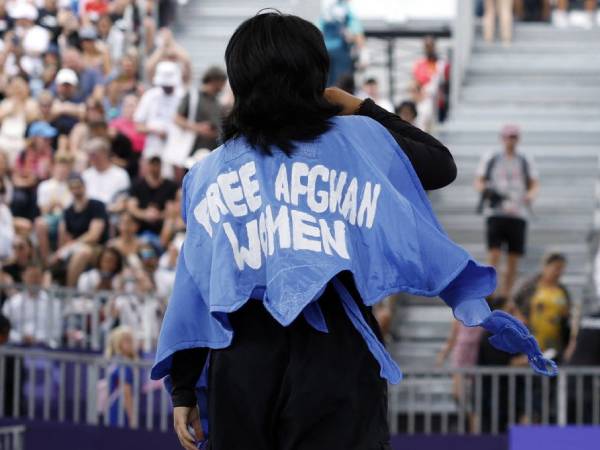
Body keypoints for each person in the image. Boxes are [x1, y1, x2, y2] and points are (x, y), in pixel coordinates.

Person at [150, 12, 554, 450]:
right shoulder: (359, 137)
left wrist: (185, 387)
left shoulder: (209, 172)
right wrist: (361, 105)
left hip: (243, 359)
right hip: (335, 351)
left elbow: (198, 282)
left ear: (238, 80)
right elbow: (439, 164)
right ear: (316, 76)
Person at [474, 124, 539, 299]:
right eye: (508, 137)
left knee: (513, 257)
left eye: (513, 137)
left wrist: (530, 196)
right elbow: (479, 180)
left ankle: (506, 294)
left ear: (518, 139)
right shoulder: (492, 157)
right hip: (496, 211)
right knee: (494, 253)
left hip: (517, 212)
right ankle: (490, 291)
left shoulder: (525, 160)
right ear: (502, 138)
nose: (510, 141)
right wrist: (486, 192)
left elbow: (534, 183)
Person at [50, 173, 109, 287]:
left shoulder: (97, 205)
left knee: (83, 252)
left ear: (84, 186)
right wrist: (62, 251)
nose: (76, 190)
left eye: (78, 186)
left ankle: (70, 290)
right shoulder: (68, 212)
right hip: (74, 247)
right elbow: (64, 238)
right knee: (53, 260)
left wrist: (72, 245)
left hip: (97, 248)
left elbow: (94, 236)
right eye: (72, 187)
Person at [513, 253, 571, 361]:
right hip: (530, 339)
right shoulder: (529, 285)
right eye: (556, 268)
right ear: (545, 266)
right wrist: (520, 318)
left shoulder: (562, 290)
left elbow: (567, 315)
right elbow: (513, 303)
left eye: (562, 269)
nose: (559, 272)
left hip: (554, 343)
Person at [134, 60, 183, 160]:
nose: (166, 88)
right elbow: (138, 126)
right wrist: (155, 131)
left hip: (176, 148)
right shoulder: (150, 96)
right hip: (153, 149)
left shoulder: (182, 96)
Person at [1, 264, 61, 347]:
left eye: (37, 276)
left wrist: (36, 339)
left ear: (42, 278)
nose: (34, 280)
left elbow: (56, 332)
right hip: (17, 348)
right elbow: (3, 328)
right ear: (24, 277)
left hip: (45, 349)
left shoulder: (53, 304)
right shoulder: (12, 302)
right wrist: (20, 337)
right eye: (31, 276)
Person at [174, 66, 227, 153]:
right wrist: (198, 128)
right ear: (214, 81)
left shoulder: (217, 101)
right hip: (191, 151)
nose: (223, 87)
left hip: (211, 151)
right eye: (222, 82)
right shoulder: (192, 96)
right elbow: (177, 119)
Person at [34, 151, 74, 262]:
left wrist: (61, 206)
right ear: (54, 168)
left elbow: (73, 209)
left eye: (65, 168)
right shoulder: (44, 186)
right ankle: (46, 259)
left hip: (66, 218)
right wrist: (53, 205)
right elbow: (43, 211)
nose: (62, 170)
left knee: (63, 224)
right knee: (39, 223)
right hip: (50, 218)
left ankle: (59, 258)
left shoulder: (72, 185)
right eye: (59, 167)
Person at [127, 156, 177, 237]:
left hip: (160, 224)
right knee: (127, 218)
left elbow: (171, 210)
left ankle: (161, 246)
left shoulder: (169, 186)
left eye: (157, 165)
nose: (155, 168)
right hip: (139, 223)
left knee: (170, 222)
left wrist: (158, 215)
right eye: (153, 165)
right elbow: (132, 207)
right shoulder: (137, 184)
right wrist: (145, 214)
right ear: (148, 166)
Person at [319, 0, 364, 86]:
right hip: (341, 53)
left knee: (326, 85)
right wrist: (363, 53)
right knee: (342, 85)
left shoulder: (328, 9)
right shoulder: (347, 9)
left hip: (325, 52)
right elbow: (357, 32)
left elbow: (318, 30)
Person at [81, 137, 130, 213]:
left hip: (111, 215)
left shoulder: (120, 174)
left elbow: (122, 204)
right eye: (89, 155)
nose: (90, 158)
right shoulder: (85, 175)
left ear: (104, 153)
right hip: (88, 215)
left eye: (93, 154)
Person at [104, 326, 138, 428]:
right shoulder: (124, 364)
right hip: (120, 413)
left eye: (131, 340)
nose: (131, 343)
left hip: (112, 411)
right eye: (126, 340)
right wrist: (132, 417)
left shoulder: (115, 361)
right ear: (117, 343)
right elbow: (126, 391)